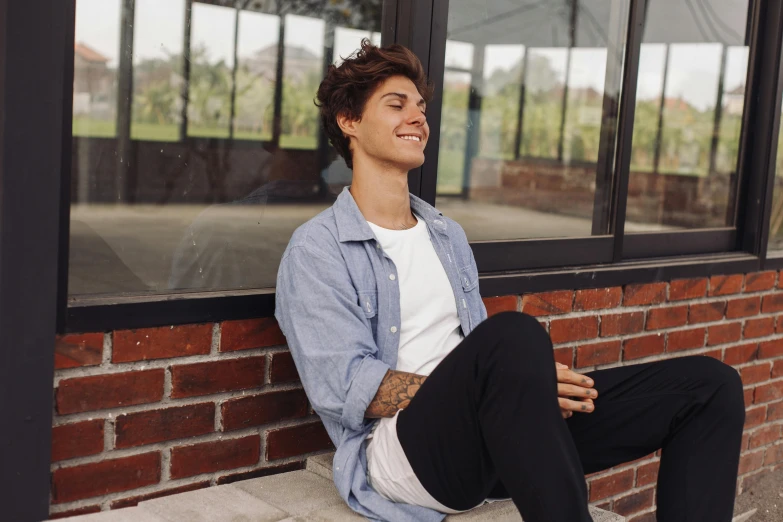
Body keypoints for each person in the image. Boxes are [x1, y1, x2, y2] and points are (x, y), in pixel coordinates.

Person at [274, 40, 745, 522]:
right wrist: (506, 385)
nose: (417, 117)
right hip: (404, 456)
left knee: (710, 387)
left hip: (494, 435)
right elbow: (346, 388)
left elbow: (485, 361)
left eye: (420, 106)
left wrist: (520, 390)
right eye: (396, 105)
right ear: (348, 122)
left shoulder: (445, 234)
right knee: (514, 337)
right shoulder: (318, 249)